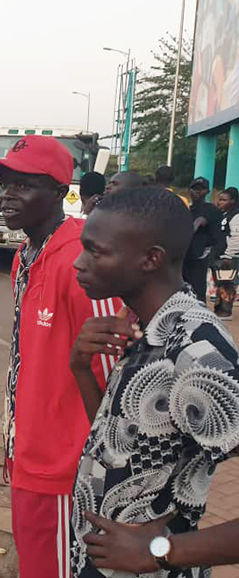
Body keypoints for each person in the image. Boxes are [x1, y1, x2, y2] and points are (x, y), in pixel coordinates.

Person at [69, 186, 239, 577]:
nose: (79, 262)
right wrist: (81, 367)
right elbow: (120, 445)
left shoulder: (196, 352)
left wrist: (162, 550)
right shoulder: (145, 325)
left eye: (95, 251)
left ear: (150, 258)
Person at [0, 135, 120, 578]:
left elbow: (113, 378)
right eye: (4, 183)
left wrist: (102, 471)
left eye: (23, 185)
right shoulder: (26, 254)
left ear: (60, 192)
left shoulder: (81, 261)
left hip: (65, 469)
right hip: (28, 454)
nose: (7, 195)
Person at [184, 177, 225, 301]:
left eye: (201, 189)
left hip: (201, 256)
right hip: (184, 255)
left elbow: (200, 223)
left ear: (207, 191)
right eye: (195, 189)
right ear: (189, 190)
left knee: (198, 292)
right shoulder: (186, 209)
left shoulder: (211, 209)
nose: (197, 192)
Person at [213, 186, 239, 318]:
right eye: (219, 199)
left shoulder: (236, 216)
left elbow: (236, 237)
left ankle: (225, 312)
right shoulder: (224, 214)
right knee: (221, 283)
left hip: (229, 256)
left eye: (224, 200)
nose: (220, 202)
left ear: (233, 201)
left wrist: (229, 254)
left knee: (227, 284)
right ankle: (219, 310)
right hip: (221, 255)